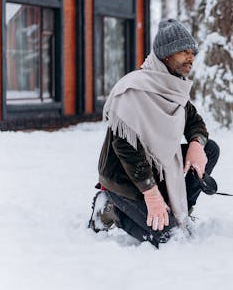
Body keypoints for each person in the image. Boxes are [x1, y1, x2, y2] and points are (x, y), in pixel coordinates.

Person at [88, 18, 220, 248]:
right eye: (183, 52)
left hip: (158, 171)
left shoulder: (174, 88)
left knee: (210, 149)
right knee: (166, 237)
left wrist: (197, 143)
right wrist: (151, 194)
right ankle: (109, 207)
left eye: (192, 52)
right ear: (166, 55)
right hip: (126, 178)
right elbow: (126, 150)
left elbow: (194, 122)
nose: (190, 57)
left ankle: (181, 210)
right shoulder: (133, 89)